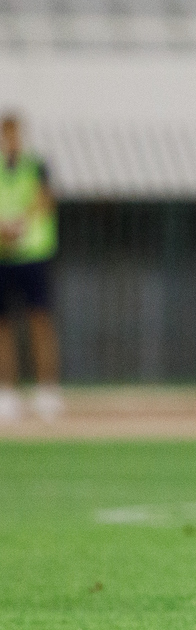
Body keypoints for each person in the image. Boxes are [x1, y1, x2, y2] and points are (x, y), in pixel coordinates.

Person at [0, 113, 62, 422]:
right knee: (4, 327)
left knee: (40, 322)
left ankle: (46, 391)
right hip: (3, 256)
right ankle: (7, 393)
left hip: (34, 254)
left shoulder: (34, 164)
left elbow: (46, 198)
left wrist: (21, 222)